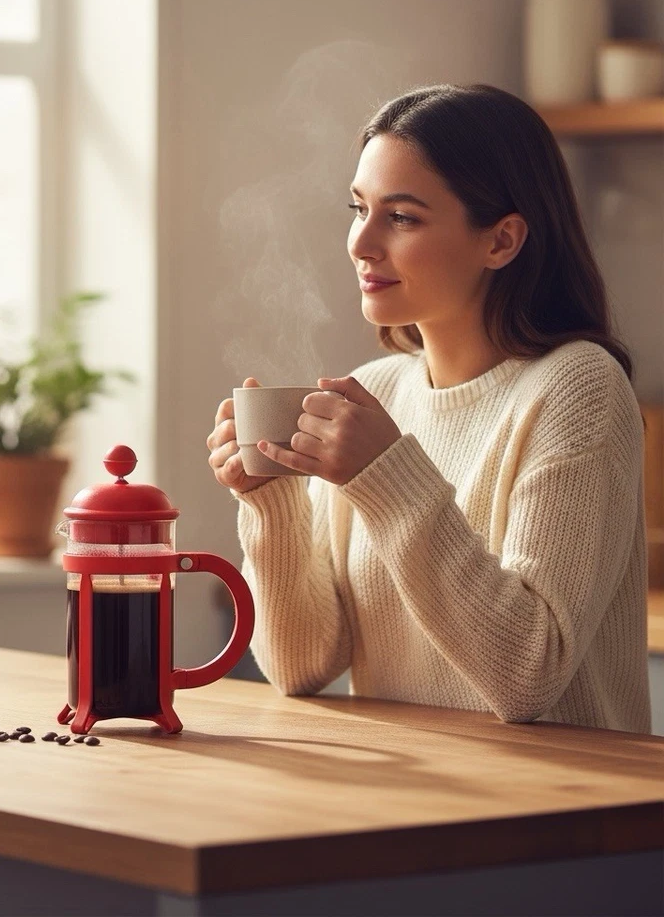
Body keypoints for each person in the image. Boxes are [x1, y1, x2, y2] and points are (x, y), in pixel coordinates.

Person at [206, 83, 651, 733]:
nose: (362, 244)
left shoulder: (578, 388)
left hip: (560, 819)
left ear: (501, 241)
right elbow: (300, 667)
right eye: (358, 209)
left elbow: (528, 673)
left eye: (403, 217)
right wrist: (272, 503)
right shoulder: (377, 393)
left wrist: (386, 475)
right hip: (413, 803)